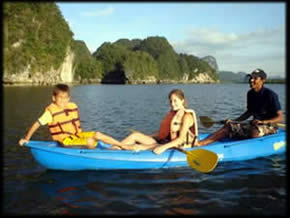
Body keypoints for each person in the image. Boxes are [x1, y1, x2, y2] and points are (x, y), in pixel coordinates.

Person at [195, 68, 283, 146]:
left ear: (263, 80)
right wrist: (234, 121)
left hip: (270, 126)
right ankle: (200, 143)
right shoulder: (250, 94)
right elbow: (249, 112)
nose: (251, 80)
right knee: (228, 126)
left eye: (255, 78)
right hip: (254, 124)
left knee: (254, 132)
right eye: (251, 78)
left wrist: (263, 121)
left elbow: (280, 117)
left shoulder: (270, 95)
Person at [18, 83, 124, 149]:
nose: (64, 101)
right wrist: (27, 139)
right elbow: (36, 124)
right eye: (60, 98)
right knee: (90, 141)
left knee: (97, 134)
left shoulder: (71, 106)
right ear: (54, 98)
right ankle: (99, 155)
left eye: (66, 98)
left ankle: (123, 146)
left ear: (69, 98)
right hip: (65, 140)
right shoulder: (51, 112)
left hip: (77, 136)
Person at [114, 89, 199, 155]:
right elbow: (164, 132)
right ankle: (113, 149)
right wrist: (147, 136)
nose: (172, 104)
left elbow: (180, 139)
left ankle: (113, 152)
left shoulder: (187, 117)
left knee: (139, 147)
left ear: (182, 100)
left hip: (176, 146)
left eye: (175, 101)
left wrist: (163, 147)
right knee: (135, 135)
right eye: (171, 101)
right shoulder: (174, 114)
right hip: (164, 142)